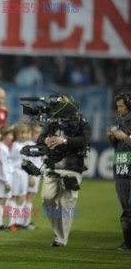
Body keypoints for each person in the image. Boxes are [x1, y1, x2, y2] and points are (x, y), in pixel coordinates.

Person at [37, 94, 91, 247]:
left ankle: (60, 238)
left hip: (72, 167)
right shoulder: (51, 121)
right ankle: (59, 231)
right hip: (53, 165)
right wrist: (46, 140)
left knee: (65, 203)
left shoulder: (81, 122)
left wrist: (65, 140)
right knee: (47, 199)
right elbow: (40, 138)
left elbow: (84, 141)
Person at [107, 92, 131, 250]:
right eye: (117, 106)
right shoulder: (118, 121)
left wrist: (126, 138)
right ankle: (128, 241)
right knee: (125, 209)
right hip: (121, 170)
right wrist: (112, 138)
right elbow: (118, 147)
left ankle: (128, 243)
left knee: (129, 211)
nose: (119, 109)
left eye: (121, 106)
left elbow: (126, 141)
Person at [0, 126, 14, 230]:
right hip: (3, 178)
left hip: (7, 176)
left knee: (5, 199)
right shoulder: (1, 148)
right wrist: (6, 181)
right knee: (1, 200)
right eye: (10, 135)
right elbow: (2, 165)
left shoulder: (5, 147)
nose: (11, 137)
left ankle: (2, 223)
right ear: (4, 136)